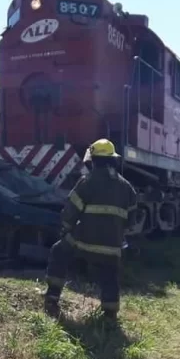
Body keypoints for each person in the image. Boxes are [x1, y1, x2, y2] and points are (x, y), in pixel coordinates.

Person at [43, 138, 138, 322]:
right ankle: (110, 316)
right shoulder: (127, 187)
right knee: (110, 274)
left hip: (83, 242)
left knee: (58, 251)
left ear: (93, 160)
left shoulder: (86, 182)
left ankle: (52, 300)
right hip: (112, 247)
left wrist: (67, 230)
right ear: (113, 160)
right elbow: (131, 222)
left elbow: (70, 213)